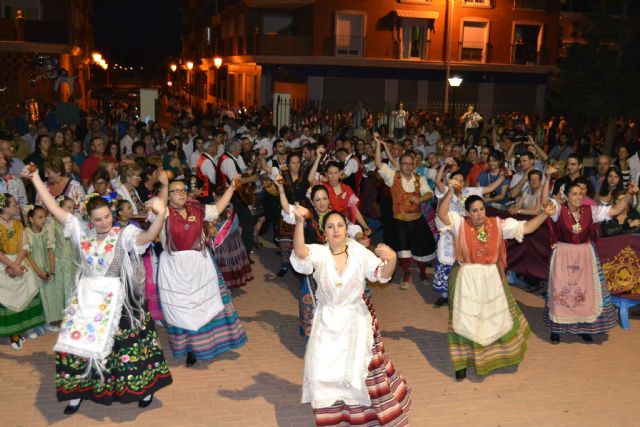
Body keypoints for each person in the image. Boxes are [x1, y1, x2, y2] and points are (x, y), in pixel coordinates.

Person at [24, 166, 172, 415]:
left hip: (120, 298)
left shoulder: (124, 234)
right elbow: (52, 207)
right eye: (98, 219)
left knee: (127, 344)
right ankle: (78, 390)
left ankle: (143, 388)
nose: (104, 222)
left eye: (107, 217)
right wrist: (36, 178)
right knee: (77, 342)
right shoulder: (81, 231)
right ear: (89, 219)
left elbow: (148, 237)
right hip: (88, 297)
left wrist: (161, 215)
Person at [289, 206, 411, 426]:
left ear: (346, 229)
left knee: (359, 373)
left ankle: (363, 417)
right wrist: (299, 223)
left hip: (356, 320)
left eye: (340, 225)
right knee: (322, 370)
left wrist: (392, 258)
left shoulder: (357, 251)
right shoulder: (319, 252)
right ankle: (334, 417)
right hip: (327, 322)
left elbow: (381, 274)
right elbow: (300, 254)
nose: (336, 230)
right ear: (324, 232)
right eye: (330, 226)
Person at [437, 182, 555, 380]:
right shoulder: (459, 223)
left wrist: (544, 214)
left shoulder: (498, 224)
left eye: (482, 209)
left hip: (491, 278)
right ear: (467, 213)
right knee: (463, 320)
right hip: (466, 277)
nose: (479, 214)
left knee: (493, 319)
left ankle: (492, 357)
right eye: (474, 211)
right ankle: (461, 363)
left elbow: (526, 228)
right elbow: (442, 214)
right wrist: (450, 191)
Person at [156, 173, 247, 367]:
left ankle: (206, 345)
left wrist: (231, 188)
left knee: (204, 305)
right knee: (182, 309)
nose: (181, 194)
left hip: (199, 265)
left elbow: (218, 209)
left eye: (183, 190)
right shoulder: (163, 213)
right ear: (168, 196)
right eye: (175, 191)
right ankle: (189, 348)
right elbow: (160, 208)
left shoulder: (196, 208)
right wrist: (164, 186)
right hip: (174, 268)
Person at [541, 167, 638, 344]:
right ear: (566, 196)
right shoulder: (558, 210)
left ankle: (583, 328)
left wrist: (630, 194)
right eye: (574, 194)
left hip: (584, 255)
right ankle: (557, 329)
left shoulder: (590, 211)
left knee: (584, 292)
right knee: (560, 291)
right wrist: (547, 178)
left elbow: (615, 210)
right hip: (563, 254)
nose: (578, 197)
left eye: (581, 193)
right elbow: (544, 203)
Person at [374, 135, 436, 290]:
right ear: (399, 165)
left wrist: (420, 199)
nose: (408, 166)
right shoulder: (392, 177)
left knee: (421, 248)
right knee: (403, 249)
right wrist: (378, 144)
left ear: (414, 165)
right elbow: (378, 163)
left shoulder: (420, 179)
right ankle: (407, 274)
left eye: (410, 164)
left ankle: (422, 273)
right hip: (400, 220)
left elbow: (430, 193)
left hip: (417, 219)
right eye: (404, 163)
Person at [0, 193, 45, 350]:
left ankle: (26, 328)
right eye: (14, 204)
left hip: (18, 262)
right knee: (8, 296)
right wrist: (11, 266)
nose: (17, 206)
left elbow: (25, 245)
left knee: (26, 293)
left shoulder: (18, 224)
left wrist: (17, 264)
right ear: (5, 208)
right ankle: (13, 333)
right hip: (3, 264)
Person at [25, 206, 61, 332]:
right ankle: (41, 322)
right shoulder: (26, 233)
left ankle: (50, 320)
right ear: (31, 219)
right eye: (40, 217)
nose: (44, 220)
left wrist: (51, 269)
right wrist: (39, 272)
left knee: (50, 294)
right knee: (40, 296)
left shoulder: (46, 232)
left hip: (46, 268)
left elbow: (50, 250)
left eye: (44, 217)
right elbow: (28, 255)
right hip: (34, 270)